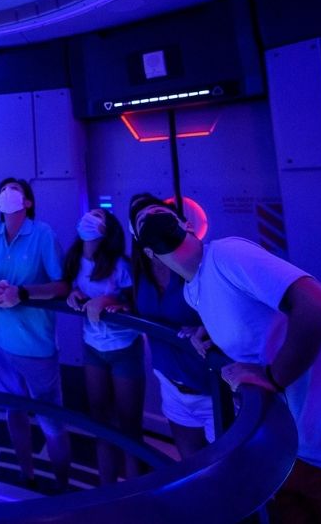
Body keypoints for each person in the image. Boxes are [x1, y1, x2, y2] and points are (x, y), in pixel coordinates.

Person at [132, 195, 321, 523]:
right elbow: (253, 328)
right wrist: (212, 336)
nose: (151, 212)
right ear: (146, 251)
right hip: (293, 451)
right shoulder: (194, 292)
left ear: (187, 224)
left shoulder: (227, 254)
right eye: (141, 219)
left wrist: (273, 377)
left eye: (160, 210)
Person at [0, 177, 72, 490]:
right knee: (13, 410)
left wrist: (22, 293)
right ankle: (26, 474)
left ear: (28, 201)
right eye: (3, 189)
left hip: (34, 344)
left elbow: (61, 285)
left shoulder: (43, 234)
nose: (7, 192)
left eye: (15, 189)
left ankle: (62, 485)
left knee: (51, 420)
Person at [62, 208, 145, 484]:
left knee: (129, 425)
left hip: (124, 347)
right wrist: (73, 294)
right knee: (100, 422)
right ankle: (106, 488)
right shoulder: (74, 260)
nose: (90, 217)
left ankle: (135, 491)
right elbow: (70, 287)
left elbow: (136, 303)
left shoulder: (121, 266)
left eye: (98, 215)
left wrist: (110, 301)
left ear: (107, 229)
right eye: (89, 214)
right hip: (92, 347)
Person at [127, 194, 213, 459]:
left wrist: (207, 329)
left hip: (212, 389)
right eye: (142, 219)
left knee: (228, 471)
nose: (150, 218)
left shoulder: (205, 265)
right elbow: (131, 302)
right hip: (171, 386)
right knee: (192, 467)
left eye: (157, 212)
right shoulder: (140, 274)